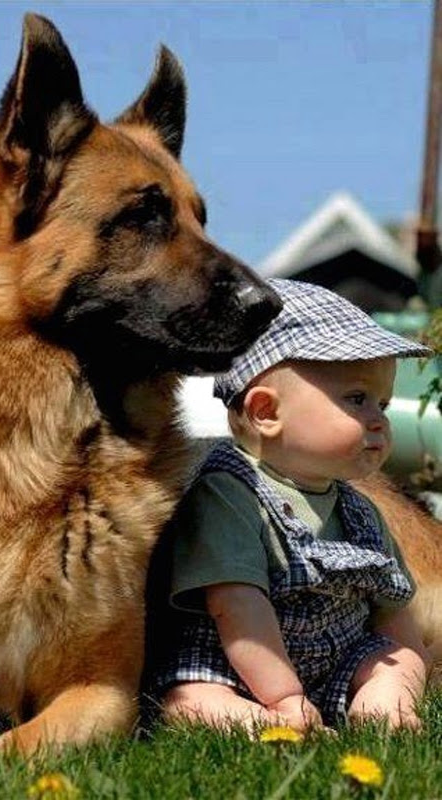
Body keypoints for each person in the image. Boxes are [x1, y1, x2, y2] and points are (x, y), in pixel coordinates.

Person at [149, 279, 432, 733]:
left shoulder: (359, 510)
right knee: (192, 699)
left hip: (335, 663)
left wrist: (399, 673)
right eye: (357, 399)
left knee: (396, 657)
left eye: (382, 402)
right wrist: (285, 696)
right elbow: (236, 607)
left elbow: (394, 612)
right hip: (235, 665)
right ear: (266, 412)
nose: (380, 419)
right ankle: (254, 719)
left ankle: (384, 710)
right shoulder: (228, 494)